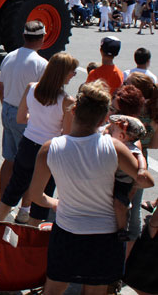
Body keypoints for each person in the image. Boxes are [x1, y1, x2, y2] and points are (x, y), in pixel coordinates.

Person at [29, 81, 154, 295]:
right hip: (105, 235)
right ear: (105, 117)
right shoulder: (115, 148)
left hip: (67, 231)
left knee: (53, 290)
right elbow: (146, 181)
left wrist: (56, 203)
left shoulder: (50, 149)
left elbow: (36, 195)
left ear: (74, 110)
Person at [0, 52, 77, 245]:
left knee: (14, 189)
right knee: (43, 194)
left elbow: (21, 118)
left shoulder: (32, 88)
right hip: (49, 151)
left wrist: (37, 120)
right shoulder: (67, 100)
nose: (73, 75)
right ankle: (26, 242)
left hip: (28, 144)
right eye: (72, 71)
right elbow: (66, 134)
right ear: (63, 73)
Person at [0, 20, 47, 223]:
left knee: (9, 159)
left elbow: (1, 88)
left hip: (8, 109)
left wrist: (6, 106)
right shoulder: (41, 63)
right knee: (30, 166)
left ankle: (3, 203)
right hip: (25, 115)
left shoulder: (9, 56)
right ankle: (24, 210)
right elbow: (43, 97)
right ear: (42, 39)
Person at [105, 115, 147, 241]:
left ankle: (122, 229)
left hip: (123, 183)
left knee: (119, 204)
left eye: (113, 129)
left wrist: (141, 170)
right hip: (112, 179)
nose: (110, 131)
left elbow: (141, 158)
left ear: (123, 136)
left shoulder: (131, 148)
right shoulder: (112, 143)